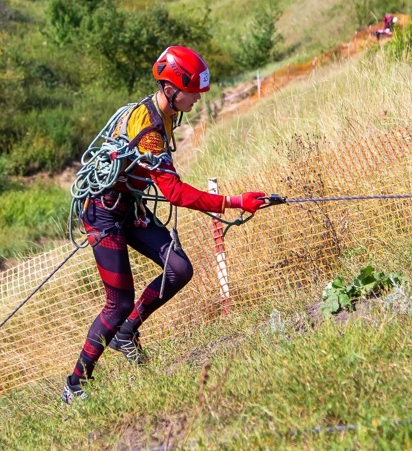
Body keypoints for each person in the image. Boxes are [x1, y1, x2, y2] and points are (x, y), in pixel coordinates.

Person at [63, 45, 266, 404]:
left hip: (129, 208)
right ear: (172, 88)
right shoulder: (151, 129)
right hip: (103, 213)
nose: (198, 100)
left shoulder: (166, 111)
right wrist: (234, 201)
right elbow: (174, 193)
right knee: (118, 302)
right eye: (193, 93)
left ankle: (127, 333)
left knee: (179, 268)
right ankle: (76, 383)